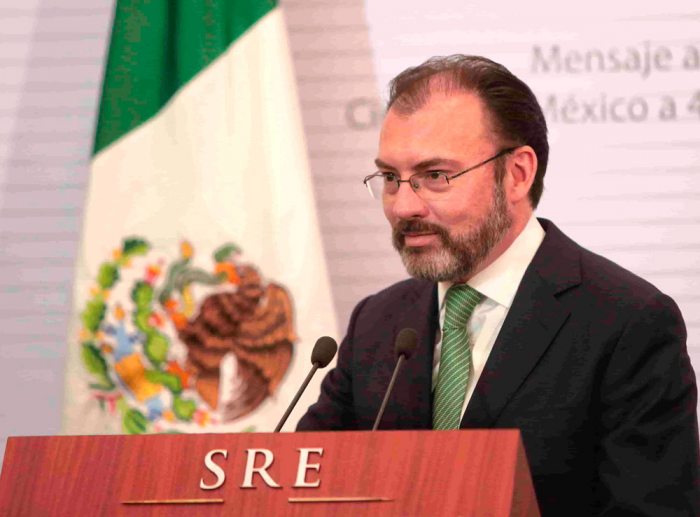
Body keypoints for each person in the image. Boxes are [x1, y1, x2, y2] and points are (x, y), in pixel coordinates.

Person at [296, 55, 699, 516]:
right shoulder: (377, 322)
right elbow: (302, 482)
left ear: (517, 174)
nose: (403, 206)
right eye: (390, 178)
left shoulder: (626, 322)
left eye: (435, 176)